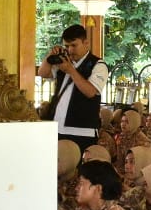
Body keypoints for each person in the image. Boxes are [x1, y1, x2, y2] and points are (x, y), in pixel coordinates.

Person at [38, 23, 107, 152]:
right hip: (57, 128)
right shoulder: (64, 60)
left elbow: (90, 92)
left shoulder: (98, 65)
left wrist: (71, 70)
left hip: (82, 132)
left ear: (86, 43)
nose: (70, 50)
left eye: (74, 45)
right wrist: (50, 56)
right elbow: (42, 73)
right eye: (67, 46)